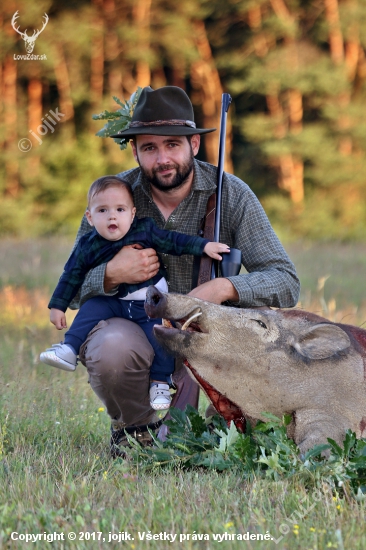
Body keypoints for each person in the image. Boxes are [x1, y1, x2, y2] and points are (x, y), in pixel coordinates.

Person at [67, 86, 300, 458]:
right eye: (149, 147)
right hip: (138, 330)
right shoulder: (114, 197)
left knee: (224, 434)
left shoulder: (232, 194)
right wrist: (111, 273)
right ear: (135, 151)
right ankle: (136, 430)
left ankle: (203, 428)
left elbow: (285, 280)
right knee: (110, 346)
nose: (162, 158)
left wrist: (224, 287)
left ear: (194, 144)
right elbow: (70, 289)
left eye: (172, 144)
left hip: (214, 338)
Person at [40, 175, 229, 411]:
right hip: (115, 302)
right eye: (102, 210)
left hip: (149, 303)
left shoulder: (144, 230)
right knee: (90, 310)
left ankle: (159, 383)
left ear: (132, 214)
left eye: (119, 209)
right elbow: (71, 275)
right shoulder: (88, 244)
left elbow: (173, 242)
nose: (112, 216)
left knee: (159, 336)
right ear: (89, 217)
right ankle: (69, 349)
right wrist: (58, 306)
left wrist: (204, 246)